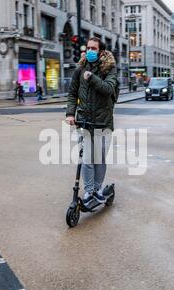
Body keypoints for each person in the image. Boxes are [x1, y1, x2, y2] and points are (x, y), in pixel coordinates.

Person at [65, 36, 118, 206]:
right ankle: (89, 191)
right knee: (87, 159)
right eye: (88, 48)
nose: (89, 51)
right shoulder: (80, 70)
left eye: (93, 49)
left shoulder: (109, 69)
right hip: (85, 122)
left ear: (101, 51)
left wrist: (93, 78)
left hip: (103, 123)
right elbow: (72, 93)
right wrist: (70, 114)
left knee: (99, 159)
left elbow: (109, 89)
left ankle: (97, 189)